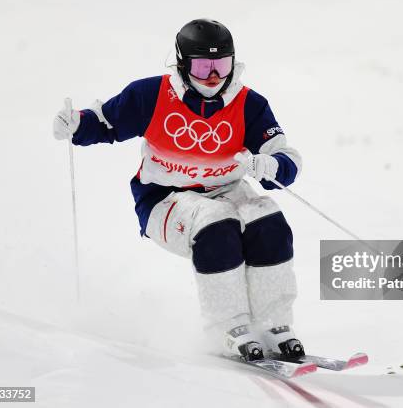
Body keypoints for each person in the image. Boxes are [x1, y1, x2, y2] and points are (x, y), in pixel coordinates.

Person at [53, 19, 304, 361]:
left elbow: (284, 154)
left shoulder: (249, 104)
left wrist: (273, 166)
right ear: (183, 65)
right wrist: (77, 124)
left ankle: (274, 324)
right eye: (203, 67)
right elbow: (106, 122)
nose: (214, 78)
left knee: (267, 220)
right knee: (217, 224)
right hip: (163, 199)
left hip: (226, 190)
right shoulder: (151, 95)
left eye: (222, 66)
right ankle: (227, 328)